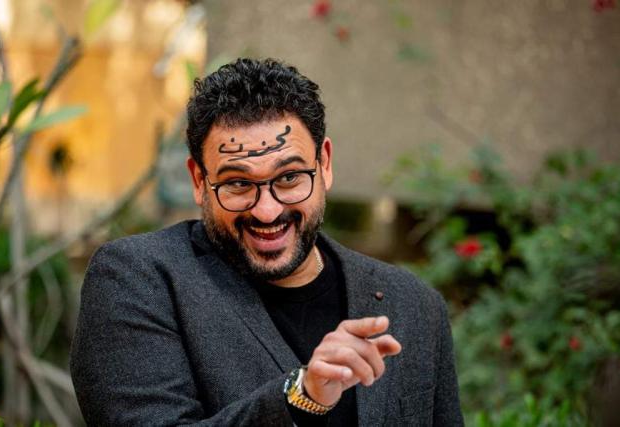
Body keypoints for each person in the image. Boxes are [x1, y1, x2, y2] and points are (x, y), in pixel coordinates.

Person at [70, 58, 463, 426]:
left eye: (289, 178)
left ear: (324, 164)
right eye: (238, 183)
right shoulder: (139, 280)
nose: (267, 211)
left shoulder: (414, 306)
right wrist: (300, 397)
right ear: (198, 180)